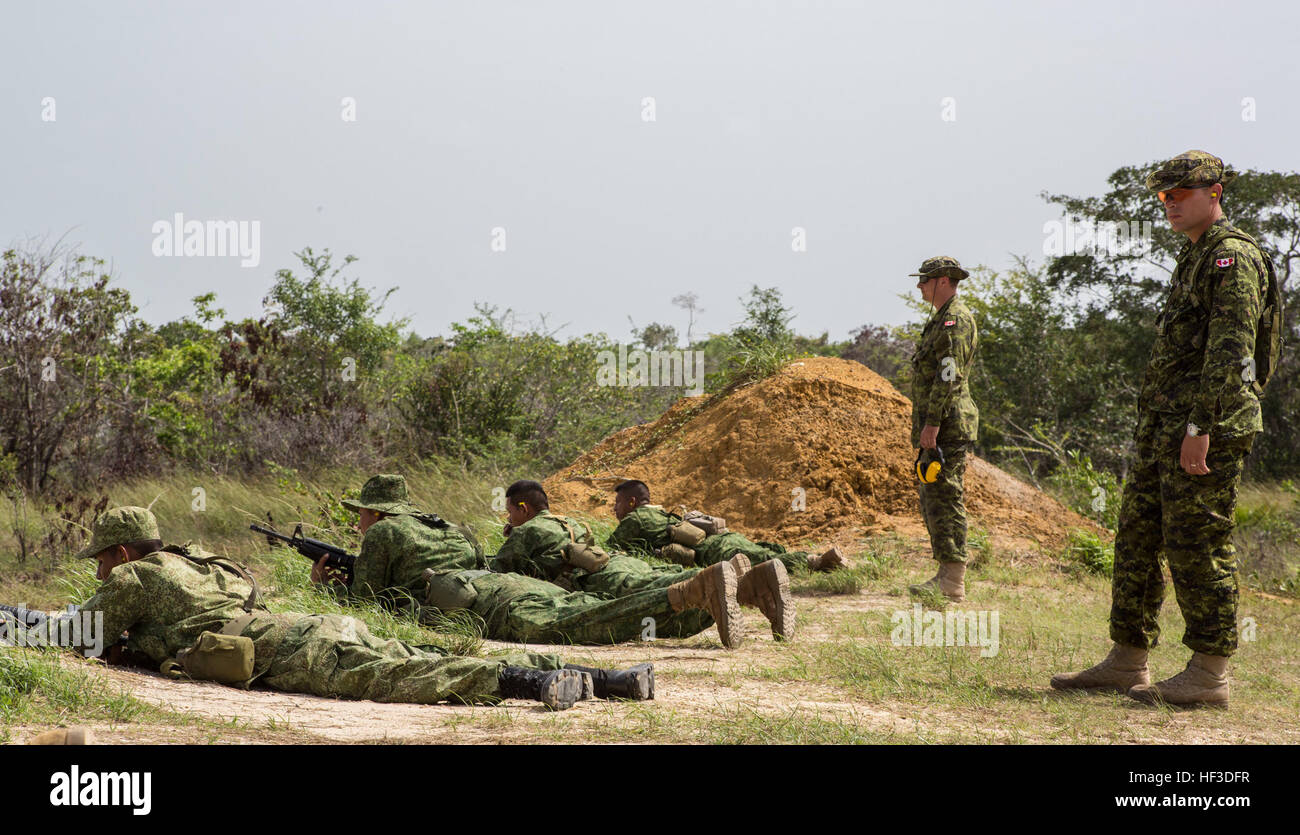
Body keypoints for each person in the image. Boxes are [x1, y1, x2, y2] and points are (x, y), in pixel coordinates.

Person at [1052, 151, 1277, 708]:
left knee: (1196, 544)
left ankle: (1209, 673)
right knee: (1136, 540)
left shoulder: (1231, 258)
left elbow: (1231, 352)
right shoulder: (1194, 256)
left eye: (1181, 192)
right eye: (1163, 196)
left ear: (1215, 192)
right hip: (1166, 426)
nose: (1171, 203)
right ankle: (1127, 659)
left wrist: (1200, 425)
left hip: (1208, 426)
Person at [60, 506, 647, 710]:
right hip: (302, 626)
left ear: (118, 552)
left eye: (100, 561)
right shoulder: (200, 561)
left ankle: (528, 683)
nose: (99, 571)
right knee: (421, 651)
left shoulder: (134, 575)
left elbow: (76, 631)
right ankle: (608, 678)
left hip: (286, 648)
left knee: (407, 673)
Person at [488, 480, 793, 640]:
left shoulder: (524, 532)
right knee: (661, 582)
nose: (509, 517)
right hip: (619, 562)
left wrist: (511, 537)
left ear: (524, 508)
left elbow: (494, 573)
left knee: (657, 589)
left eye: (511, 511)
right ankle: (753, 584)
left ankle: (732, 579)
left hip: (600, 578)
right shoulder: (567, 521)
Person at [903, 256, 980, 603]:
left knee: (946, 497)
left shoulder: (954, 320)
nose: (919, 286)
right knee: (934, 495)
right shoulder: (941, 319)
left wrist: (932, 424)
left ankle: (952, 580)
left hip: (947, 424)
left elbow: (949, 376)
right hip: (939, 424)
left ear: (944, 280)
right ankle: (945, 575)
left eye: (925, 280)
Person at [309, 474, 482, 606]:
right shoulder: (451, 528)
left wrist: (321, 586)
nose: (358, 525)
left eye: (361, 514)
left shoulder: (382, 529)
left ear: (377, 513)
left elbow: (363, 601)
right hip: (477, 603)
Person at [605, 480, 849, 573]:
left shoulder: (634, 520)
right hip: (725, 538)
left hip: (713, 551)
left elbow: (608, 552)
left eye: (617, 504)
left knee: (761, 562)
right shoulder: (665, 514)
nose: (615, 509)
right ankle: (822, 564)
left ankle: (814, 561)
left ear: (632, 502)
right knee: (762, 553)